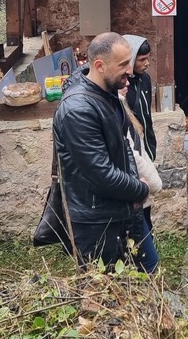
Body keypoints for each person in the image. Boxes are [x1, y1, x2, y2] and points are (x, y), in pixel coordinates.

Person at [54, 32, 150, 268]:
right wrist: (139, 189)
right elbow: (100, 174)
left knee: (147, 271)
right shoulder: (78, 110)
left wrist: (133, 193)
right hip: (97, 221)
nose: (130, 70)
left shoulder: (109, 95)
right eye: (123, 64)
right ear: (99, 65)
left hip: (124, 209)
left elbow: (124, 146)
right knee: (105, 292)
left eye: (130, 61)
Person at [123, 35, 158, 272]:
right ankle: (141, 252)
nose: (146, 64)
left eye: (148, 59)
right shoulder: (122, 85)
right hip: (131, 156)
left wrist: (151, 149)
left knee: (147, 208)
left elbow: (147, 119)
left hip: (146, 150)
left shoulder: (144, 80)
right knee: (138, 207)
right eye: (142, 59)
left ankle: (147, 240)